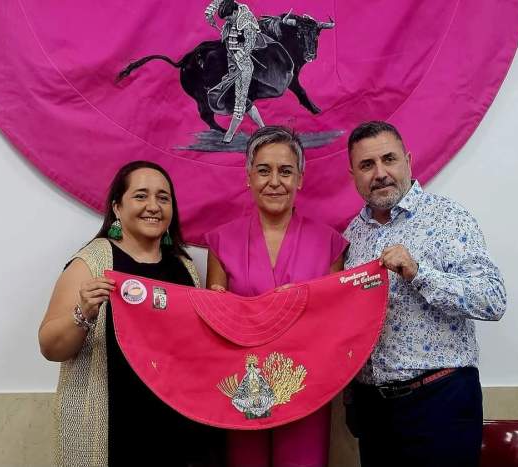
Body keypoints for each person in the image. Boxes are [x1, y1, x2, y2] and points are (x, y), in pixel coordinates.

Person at [39, 161, 225, 467]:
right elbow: (50, 347)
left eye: (163, 198)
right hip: (116, 429)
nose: (153, 206)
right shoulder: (93, 262)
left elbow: (194, 349)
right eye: (141, 196)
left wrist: (218, 314)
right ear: (117, 207)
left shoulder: (184, 267)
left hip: (180, 431)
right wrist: (84, 313)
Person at [343, 121, 507, 467]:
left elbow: (493, 299)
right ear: (353, 175)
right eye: (367, 165)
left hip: (440, 402)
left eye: (389, 159)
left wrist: (419, 273)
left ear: (408, 161)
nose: (380, 173)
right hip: (373, 411)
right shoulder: (351, 236)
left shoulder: (448, 219)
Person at [206, 125, 348, 466]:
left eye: (285, 171)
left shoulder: (330, 243)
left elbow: (336, 321)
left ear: (300, 179)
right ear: (248, 178)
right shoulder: (221, 241)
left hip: (306, 383)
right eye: (263, 170)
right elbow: (215, 318)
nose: (274, 181)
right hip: (244, 386)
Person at [205, 0, 265, 142]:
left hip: (242, 67)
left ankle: (229, 135)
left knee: (239, 104)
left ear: (235, 12)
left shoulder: (247, 21)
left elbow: (249, 46)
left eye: (229, 18)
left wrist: (236, 57)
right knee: (244, 102)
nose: (228, 21)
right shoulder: (232, 8)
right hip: (232, 67)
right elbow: (219, 2)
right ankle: (263, 128)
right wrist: (209, 14)